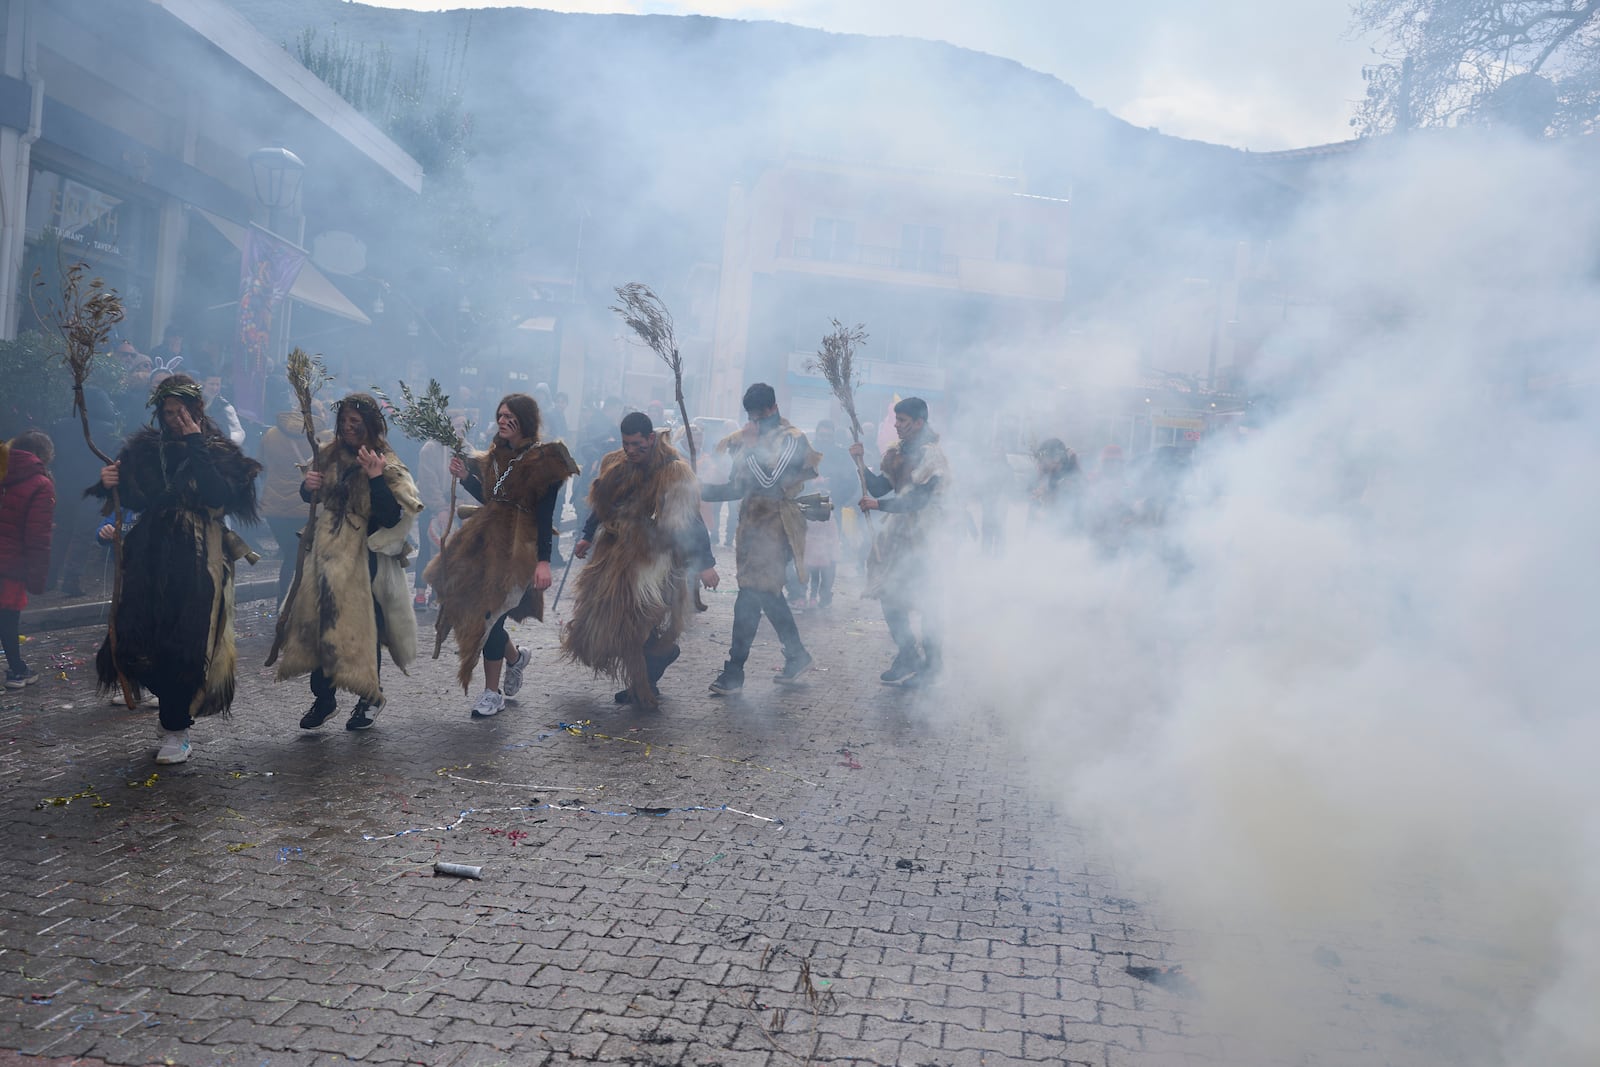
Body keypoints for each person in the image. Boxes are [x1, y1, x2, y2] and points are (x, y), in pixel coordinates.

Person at [94, 375, 262, 763]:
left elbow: (219, 496)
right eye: (166, 412)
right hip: (149, 551)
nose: (172, 418)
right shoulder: (145, 448)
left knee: (185, 640)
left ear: (197, 409)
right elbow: (134, 495)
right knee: (132, 638)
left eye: (180, 411)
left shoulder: (217, 449)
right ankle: (169, 706)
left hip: (198, 553)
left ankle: (176, 727)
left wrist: (195, 445)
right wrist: (107, 484)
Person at [275, 393, 422, 732]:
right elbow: (315, 495)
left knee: (362, 626)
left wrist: (374, 478)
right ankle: (324, 698)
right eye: (344, 422)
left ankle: (370, 696)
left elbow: (390, 516)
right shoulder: (329, 453)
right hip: (326, 548)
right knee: (319, 617)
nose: (348, 428)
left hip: (363, 553)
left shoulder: (385, 461)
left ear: (370, 426)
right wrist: (307, 486)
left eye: (355, 423)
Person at [427, 393, 576, 718]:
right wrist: (466, 478)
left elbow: (544, 515)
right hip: (485, 543)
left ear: (526, 421)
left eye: (511, 416)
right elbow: (492, 498)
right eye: (501, 415)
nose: (503, 421)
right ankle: (515, 658)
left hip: (518, 551)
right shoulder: (493, 456)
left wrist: (543, 561)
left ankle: (491, 694)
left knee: (490, 620)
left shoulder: (545, 462)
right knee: (486, 615)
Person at [563, 411, 719, 708]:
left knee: (637, 624)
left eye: (637, 445)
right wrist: (586, 534)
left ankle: (646, 678)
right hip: (614, 556)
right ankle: (647, 677)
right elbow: (602, 502)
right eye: (626, 445)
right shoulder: (616, 463)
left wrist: (706, 564)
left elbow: (691, 520)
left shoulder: (674, 471)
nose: (631, 451)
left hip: (654, 559)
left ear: (650, 438)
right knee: (610, 622)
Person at [700, 383, 821, 695]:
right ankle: (797, 654)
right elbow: (739, 486)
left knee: (751, 595)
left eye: (757, 416)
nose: (752, 423)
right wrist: (699, 489)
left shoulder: (792, 439)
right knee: (766, 593)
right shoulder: (750, 439)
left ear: (771, 409)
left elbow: (770, 482)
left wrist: (751, 447)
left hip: (776, 529)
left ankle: (734, 670)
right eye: (749, 417)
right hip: (751, 529)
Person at [851, 396, 950, 687]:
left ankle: (932, 667)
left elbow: (917, 501)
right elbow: (881, 486)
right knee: (891, 597)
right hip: (898, 538)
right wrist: (860, 463)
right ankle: (907, 653)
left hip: (925, 539)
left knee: (926, 602)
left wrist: (877, 507)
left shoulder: (933, 456)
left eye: (903, 421)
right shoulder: (895, 452)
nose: (897, 426)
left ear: (919, 423)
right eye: (896, 420)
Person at [47, 386, 119, 596]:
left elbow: (55, 456)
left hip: (65, 486)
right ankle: (71, 580)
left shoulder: (60, 426)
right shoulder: (108, 430)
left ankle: (50, 578)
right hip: (93, 487)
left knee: (62, 530)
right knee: (83, 534)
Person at [0, 431, 56, 689]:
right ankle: (17, 670)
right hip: (10, 564)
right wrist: (37, 577)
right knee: (8, 617)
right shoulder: (40, 484)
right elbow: (38, 537)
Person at [258, 401, 327, 607]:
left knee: (290, 555)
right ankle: (292, 605)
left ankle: (284, 604)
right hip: (306, 507)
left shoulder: (271, 434)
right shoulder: (321, 439)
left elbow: (261, 463)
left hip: (274, 508)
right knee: (301, 557)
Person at [1028, 438, 1081, 534]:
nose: (1041, 463)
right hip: (1042, 534)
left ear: (1057, 458)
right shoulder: (1044, 475)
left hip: (1064, 535)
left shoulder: (1070, 478)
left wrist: (1047, 495)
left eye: (1044, 458)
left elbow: (1069, 513)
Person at [201, 374, 246, 447]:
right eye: (211, 384)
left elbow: (238, 431)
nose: (215, 388)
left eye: (217, 384)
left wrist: (227, 445)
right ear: (202, 383)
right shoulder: (192, 402)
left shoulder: (226, 407)